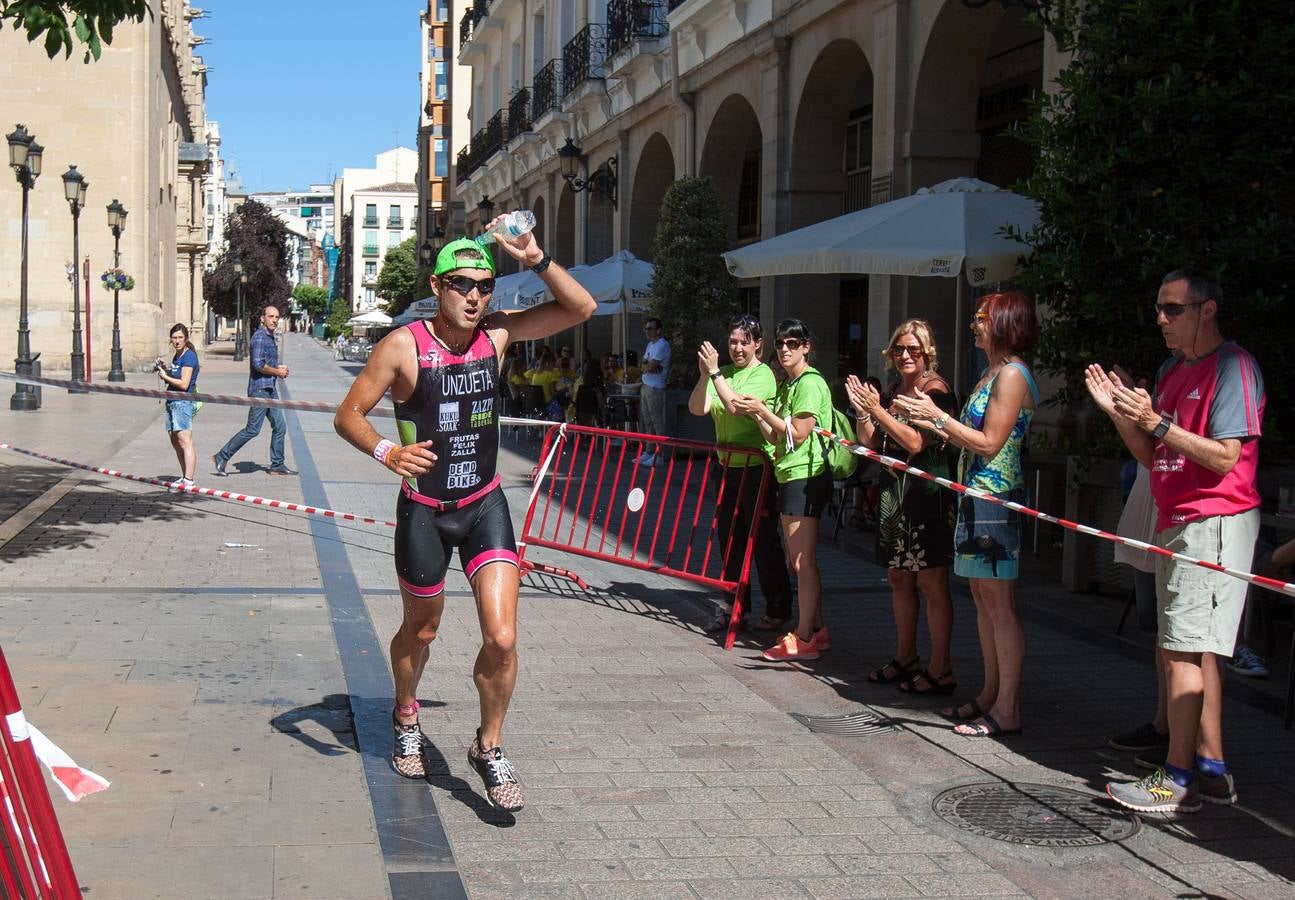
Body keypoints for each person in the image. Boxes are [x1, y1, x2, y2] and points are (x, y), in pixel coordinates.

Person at [333, 226, 596, 811]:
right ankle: (406, 714)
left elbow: (581, 308)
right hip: (425, 512)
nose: (474, 297)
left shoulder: (498, 335)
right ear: (437, 287)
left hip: (485, 505)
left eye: (484, 285)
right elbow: (348, 413)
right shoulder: (402, 346)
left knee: (502, 637)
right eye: (461, 286)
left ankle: (488, 745)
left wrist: (539, 258)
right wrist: (388, 452)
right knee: (421, 630)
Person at [1086, 269, 1264, 813]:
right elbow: (1153, 457)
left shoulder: (1233, 366)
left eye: (1173, 309)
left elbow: (1227, 456)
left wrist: (1157, 422)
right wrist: (1123, 414)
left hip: (1213, 522)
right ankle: (1207, 768)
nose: (1160, 319)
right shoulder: (1170, 370)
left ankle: (1179, 778)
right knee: (1184, 647)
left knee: (1186, 650)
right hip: (1177, 519)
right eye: (1158, 308)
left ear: (1207, 310)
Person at [895, 291, 1039, 738]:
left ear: (1005, 323)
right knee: (982, 603)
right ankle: (990, 695)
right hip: (974, 496)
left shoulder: (1012, 374)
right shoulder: (989, 372)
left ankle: (1008, 707)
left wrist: (935, 416)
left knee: (999, 606)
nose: (974, 324)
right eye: (975, 316)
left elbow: (989, 442)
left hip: (996, 500)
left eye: (982, 318)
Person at [847, 319, 957, 695]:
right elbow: (872, 442)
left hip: (927, 495)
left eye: (914, 350)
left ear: (928, 354)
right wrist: (864, 411)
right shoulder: (894, 389)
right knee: (898, 578)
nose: (906, 355)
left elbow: (914, 442)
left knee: (932, 582)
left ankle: (941, 668)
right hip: (895, 494)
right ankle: (906, 657)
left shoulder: (935, 391)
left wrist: (877, 410)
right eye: (899, 349)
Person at [733, 319, 834, 662]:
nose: (785, 349)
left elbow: (801, 432)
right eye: (781, 344)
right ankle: (815, 630)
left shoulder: (809, 383)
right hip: (790, 473)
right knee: (797, 562)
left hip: (805, 476)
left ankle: (805, 636)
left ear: (806, 346)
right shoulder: (790, 385)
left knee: (803, 561)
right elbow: (778, 435)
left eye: (793, 343)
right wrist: (757, 414)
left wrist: (762, 409)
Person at [687, 314, 794, 634]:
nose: (737, 348)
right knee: (729, 541)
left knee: (761, 540)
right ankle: (735, 605)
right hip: (726, 467)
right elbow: (697, 408)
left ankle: (778, 607)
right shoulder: (726, 373)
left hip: (756, 468)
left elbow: (736, 406)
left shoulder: (763, 376)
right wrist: (706, 376)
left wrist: (716, 372)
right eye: (732, 341)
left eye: (744, 342)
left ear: (757, 344)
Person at [213, 303, 297, 476]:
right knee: (253, 429)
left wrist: (278, 367)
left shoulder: (269, 337)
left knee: (280, 426)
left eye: (276, 317)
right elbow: (257, 364)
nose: (274, 320)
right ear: (262, 318)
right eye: (270, 316)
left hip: (270, 389)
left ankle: (277, 465)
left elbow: (265, 362)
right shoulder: (260, 337)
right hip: (260, 390)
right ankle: (221, 456)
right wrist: (277, 372)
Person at [157, 323, 200, 491]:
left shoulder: (189, 357)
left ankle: (189, 480)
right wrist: (164, 370)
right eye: (174, 338)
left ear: (186, 338)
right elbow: (176, 375)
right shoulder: (177, 355)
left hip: (182, 402)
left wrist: (165, 377)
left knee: (185, 441)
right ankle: (184, 477)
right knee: (175, 441)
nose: (177, 341)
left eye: (180, 338)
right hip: (172, 401)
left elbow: (184, 383)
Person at [637, 318, 671, 467]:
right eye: (646, 328)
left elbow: (651, 366)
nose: (647, 331)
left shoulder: (662, 345)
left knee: (657, 422)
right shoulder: (650, 345)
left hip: (656, 387)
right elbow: (643, 364)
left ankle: (660, 455)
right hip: (646, 385)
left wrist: (649, 366)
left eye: (650, 328)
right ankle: (649, 452)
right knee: (647, 421)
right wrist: (648, 366)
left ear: (658, 330)